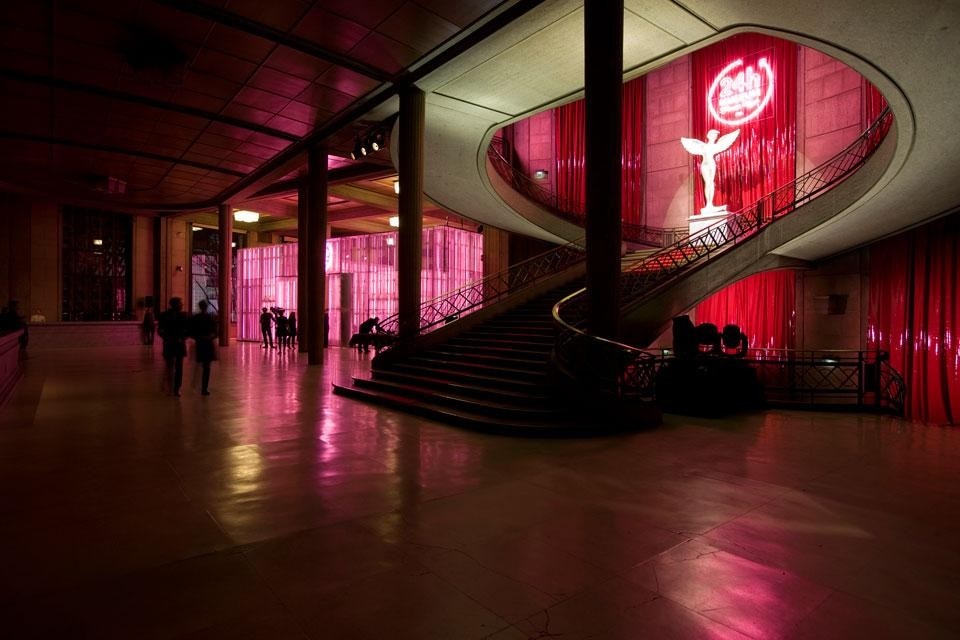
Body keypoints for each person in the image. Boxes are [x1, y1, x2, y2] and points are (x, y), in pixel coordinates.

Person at [680, 128, 741, 212]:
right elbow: (691, 142)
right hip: (705, 165)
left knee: (711, 183)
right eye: (713, 135)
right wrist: (688, 141)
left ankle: (710, 204)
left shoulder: (716, 145)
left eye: (716, 135)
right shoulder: (703, 146)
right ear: (709, 135)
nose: (715, 137)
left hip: (712, 164)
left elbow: (725, 140)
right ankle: (708, 204)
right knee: (708, 182)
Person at [158, 297, 189, 397]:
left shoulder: (184, 316)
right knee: (170, 367)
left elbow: (188, 330)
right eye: (180, 303)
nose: (182, 305)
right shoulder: (164, 316)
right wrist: (167, 338)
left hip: (178, 344)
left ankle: (176, 389)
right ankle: (170, 388)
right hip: (170, 344)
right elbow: (160, 330)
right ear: (174, 305)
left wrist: (182, 338)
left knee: (178, 368)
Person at [190, 300, 217, 395]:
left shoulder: (196, 318)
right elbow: (215, 332)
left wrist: (198, 338)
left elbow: (191, 332)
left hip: (200, 344)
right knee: (206, 367)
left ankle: (195, 385)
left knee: (198, 365)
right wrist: (210, 337)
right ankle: (204, 388)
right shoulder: (210, 317)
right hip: (208, 344)